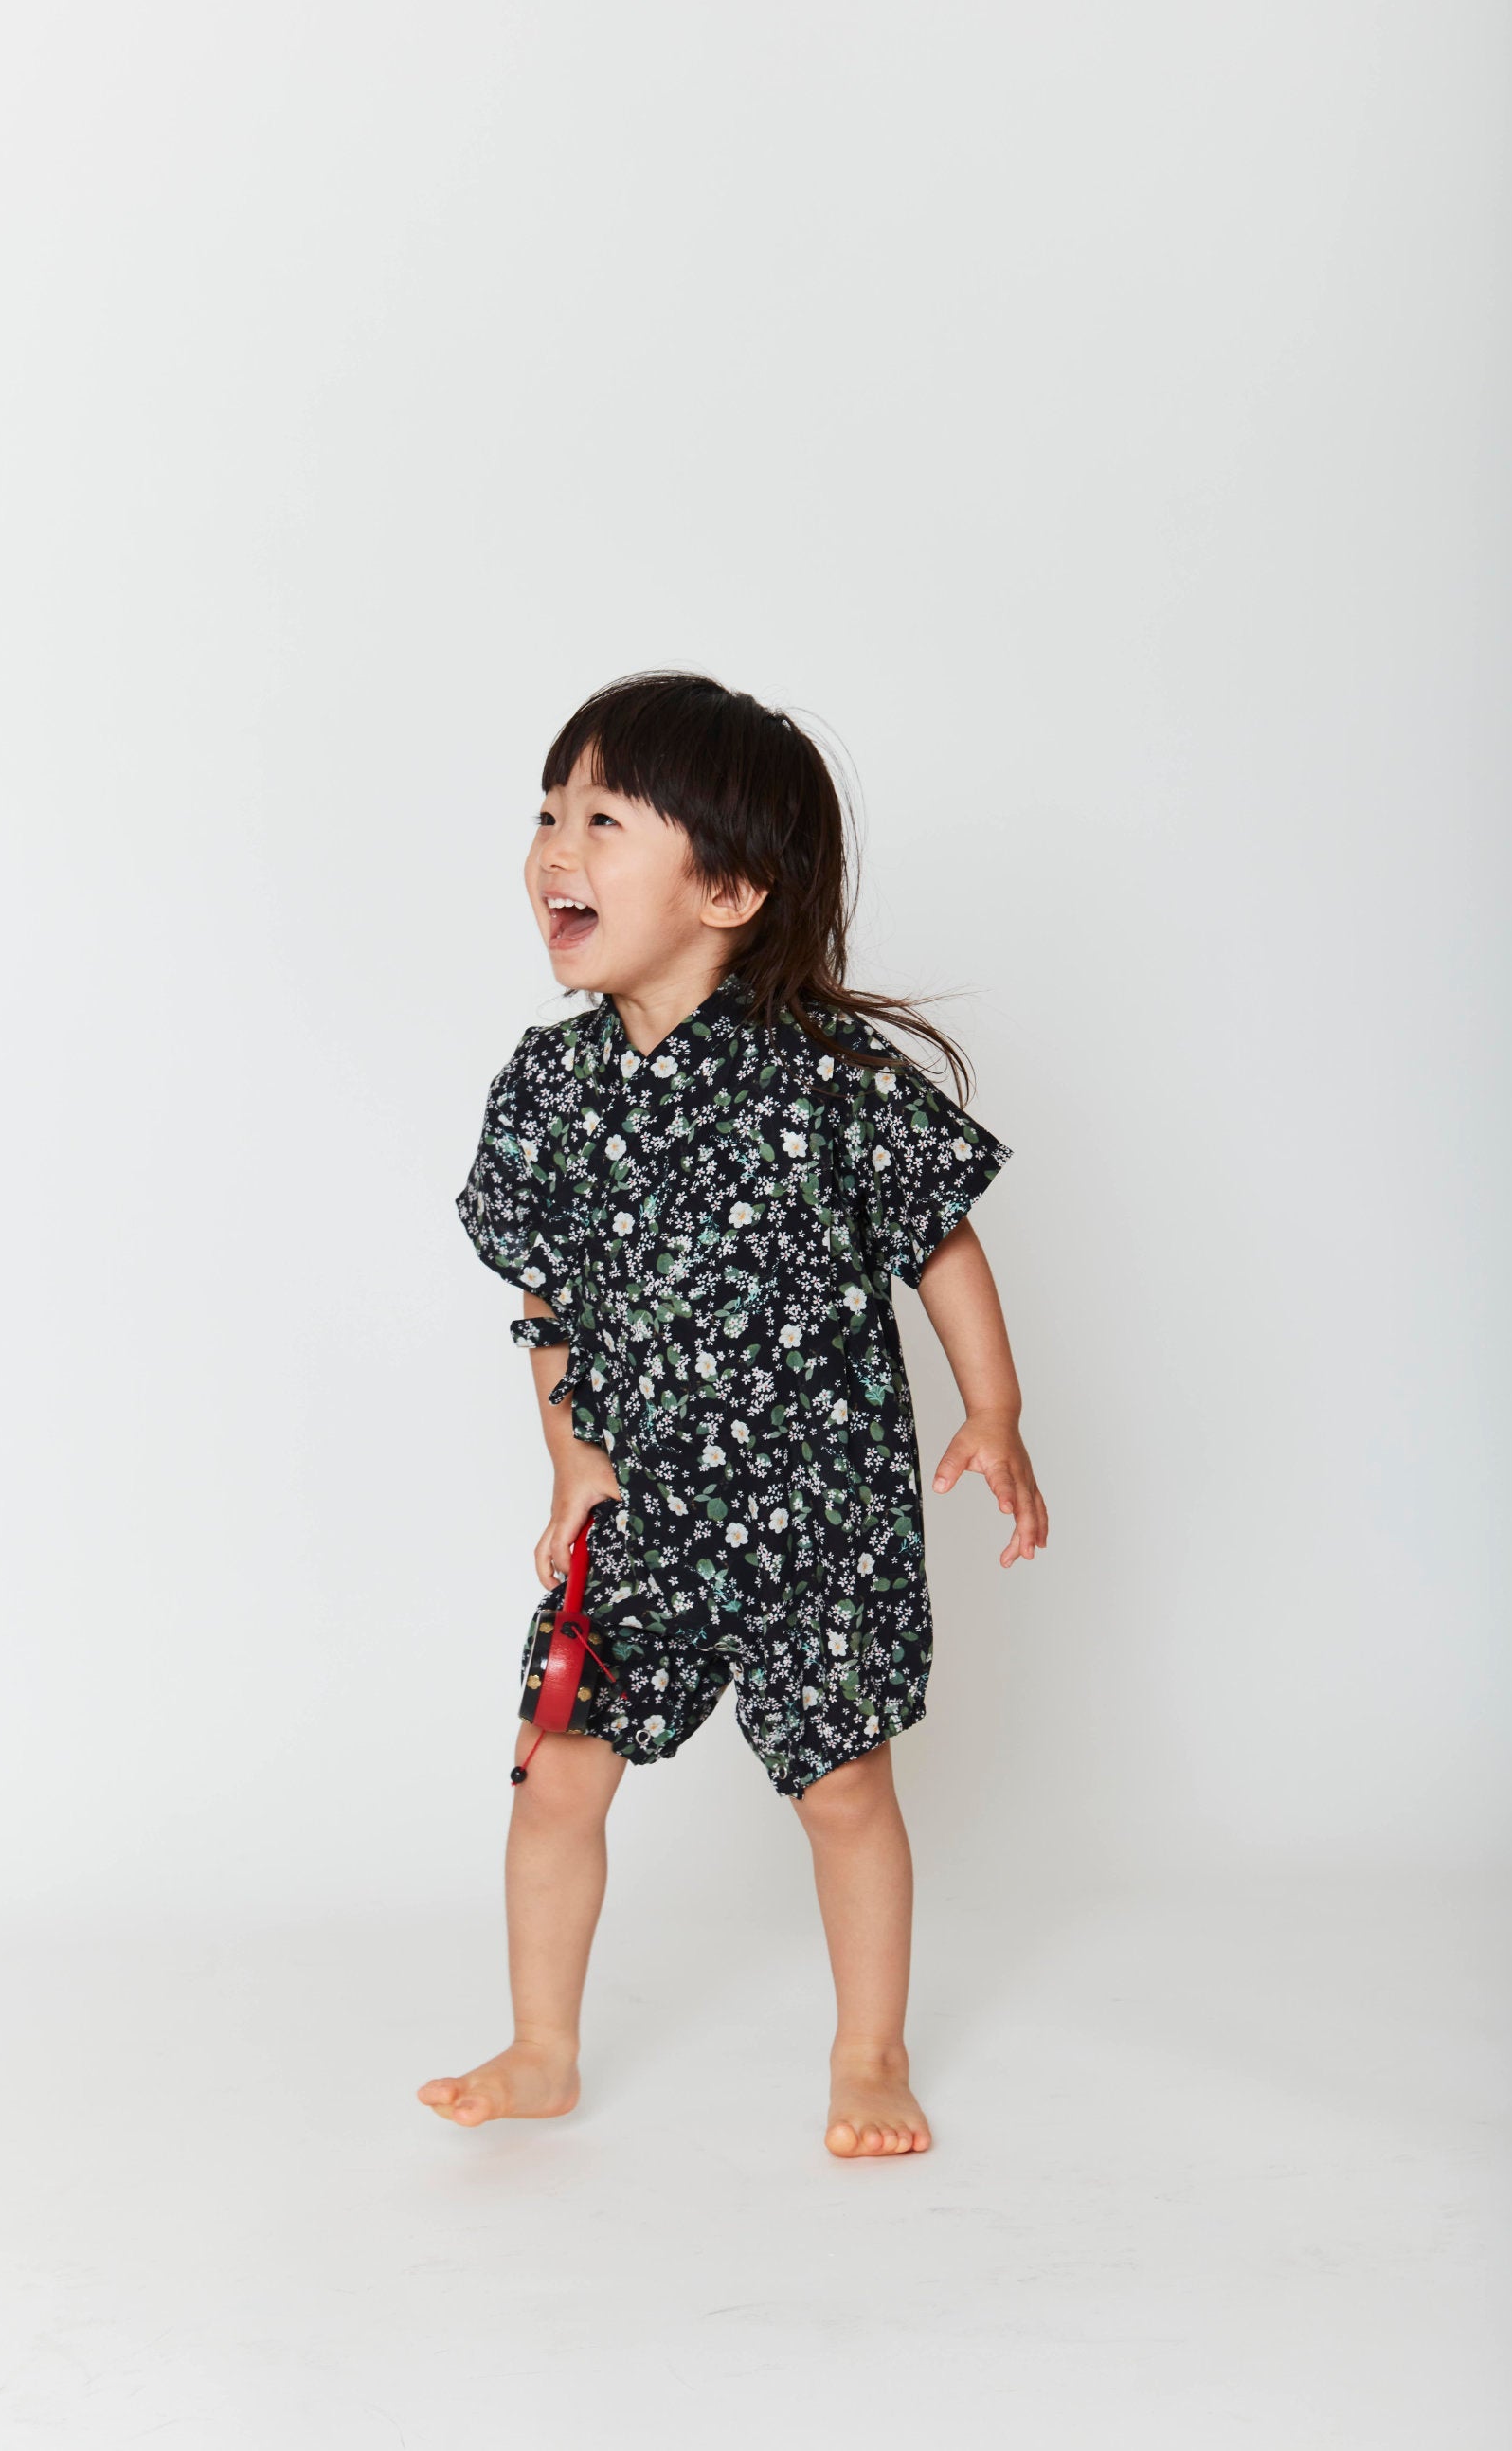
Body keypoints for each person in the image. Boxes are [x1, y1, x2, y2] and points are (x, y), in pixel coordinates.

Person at [419, 671, 1047, 2157]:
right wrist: (572, 1459)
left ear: (730, 889)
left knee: (842, 1792)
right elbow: (546, 1299)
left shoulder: (833, 1087)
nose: (556, 848)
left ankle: (871, 2054)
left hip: (813, 1515)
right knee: (555, 1773)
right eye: (549, 814)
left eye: (604, 821)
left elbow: (941, 1239)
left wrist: (996, 1407)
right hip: (642, 1507)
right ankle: (542, 2047)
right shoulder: (550, 1088)